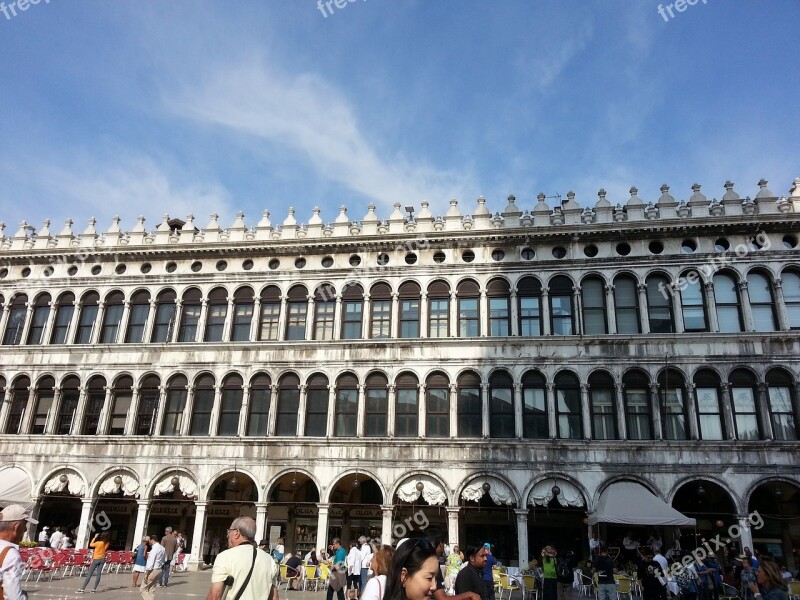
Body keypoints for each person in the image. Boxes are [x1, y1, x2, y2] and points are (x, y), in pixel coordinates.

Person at [206, 516, 278, 600]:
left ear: (237, 533)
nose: (227, 535)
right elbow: (274, 597)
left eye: (229, 531)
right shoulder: (269, 560)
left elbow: (215, 596)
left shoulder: (225, 557)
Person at [0, 504, 38, 600]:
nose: (25, 530)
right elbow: (13, 596)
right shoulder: (10, 554)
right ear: (17, 527)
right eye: (24, 525)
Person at [141, 535, 166, 600]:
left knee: (143, 589)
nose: (148, 542)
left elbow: (150, 563)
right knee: (151, 589)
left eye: (149, 540)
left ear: (152, 540)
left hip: (153, 570)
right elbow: (164, 560)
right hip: (159, 569)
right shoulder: (162, 548)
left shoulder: (154, 549)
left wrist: (146, 574)